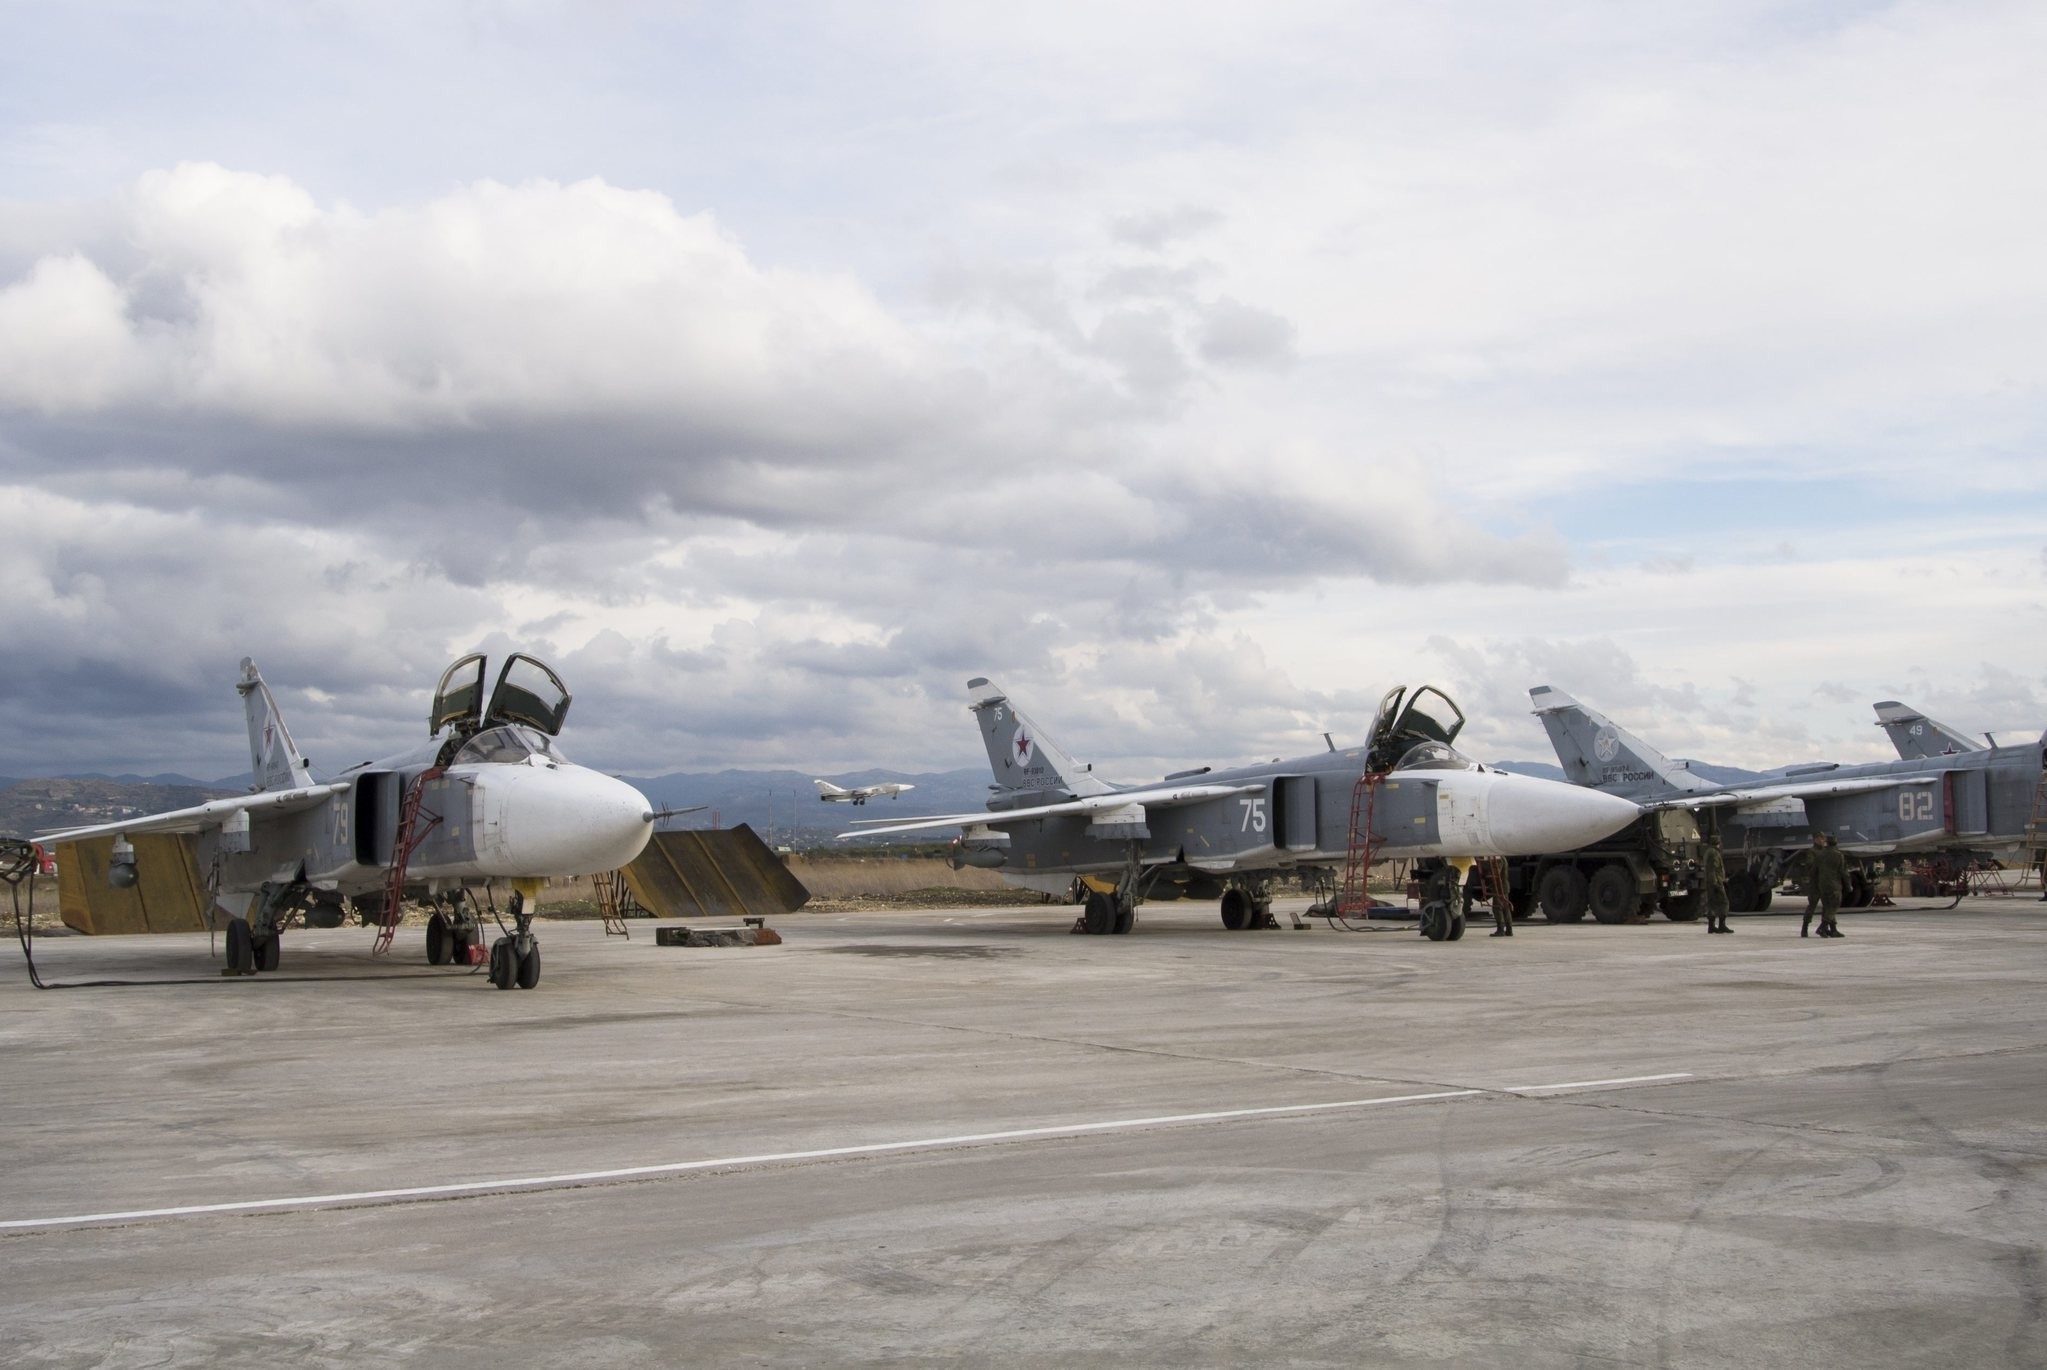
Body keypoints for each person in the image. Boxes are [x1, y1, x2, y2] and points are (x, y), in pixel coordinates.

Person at [1809, 831, 1849, 939]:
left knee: (1827, 907)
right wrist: (1848, 885)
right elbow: (1843, 872)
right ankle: (1822, 927)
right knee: (1833, 906)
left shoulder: (1819, 854)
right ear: (1835, 843)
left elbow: (1813, 872)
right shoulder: (1838, 855)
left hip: (1822, 885)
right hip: (1834, 885)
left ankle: (1833, 930)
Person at [1700, 832, 1730, 934]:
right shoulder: (1714, 853)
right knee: (1724, 902)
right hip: (1715, 881)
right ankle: (1722, 925)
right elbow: (1712, 869)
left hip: (1710, 881)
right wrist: (1716, 882)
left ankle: (1711, 926)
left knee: (1711, 903)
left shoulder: (1709, 851)